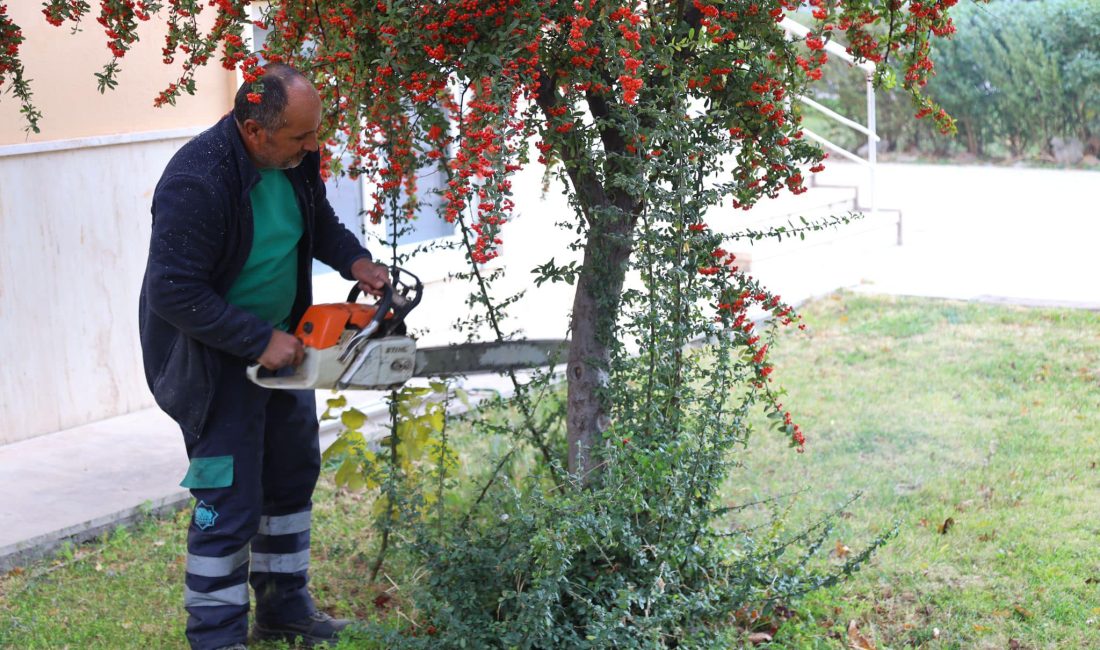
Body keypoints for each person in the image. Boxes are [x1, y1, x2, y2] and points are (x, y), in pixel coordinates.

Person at [139, 63, 389, 650]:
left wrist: (357, 262)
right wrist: (256, 340)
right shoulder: (197, 179)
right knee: (228, 499)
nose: (314, 146)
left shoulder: (295, 161)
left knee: (289, 474)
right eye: (301, 137)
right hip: (213, 361)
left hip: (283, 350)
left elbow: (318, 224)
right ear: (254, 130)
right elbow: (172, 290)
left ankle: (284, 608)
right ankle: (216, 637)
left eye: (315, 134)